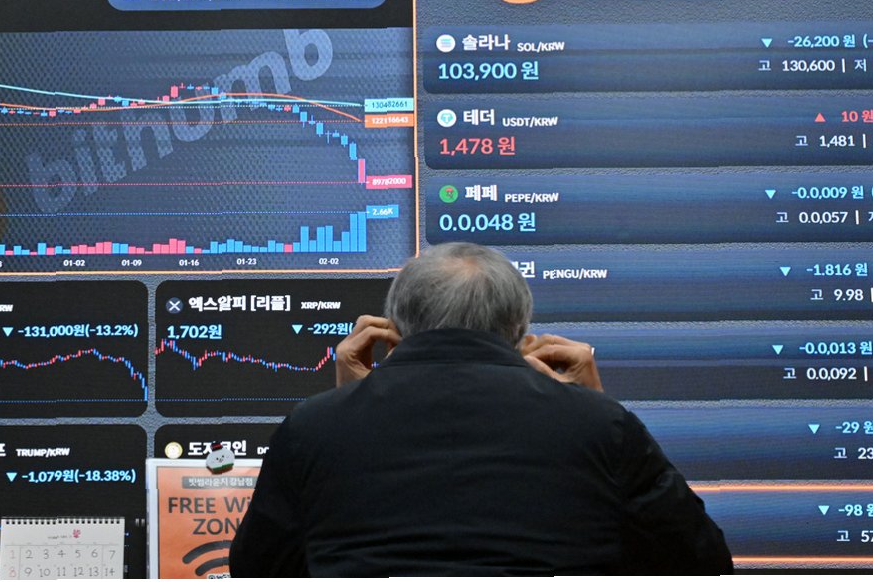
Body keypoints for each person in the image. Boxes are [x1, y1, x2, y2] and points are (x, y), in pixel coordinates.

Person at [229, 242, 732, 576]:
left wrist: (343, 407)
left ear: (394, 330)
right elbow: (699, 562)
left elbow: (260, 569)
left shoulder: (312, 426)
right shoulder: (602, 426)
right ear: (521, 331)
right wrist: (594, 410)